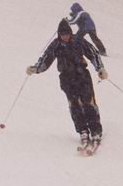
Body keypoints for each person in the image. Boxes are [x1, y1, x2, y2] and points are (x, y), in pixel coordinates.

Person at [26, 19, 107, 148]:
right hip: (67, 78)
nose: (65, 36)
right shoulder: (56, 45)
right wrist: (36, 69)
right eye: (62, 34)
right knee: (74, 105)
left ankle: (95, 130)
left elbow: (93, 53)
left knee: (88, 102)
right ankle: (83, 130)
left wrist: (100, 68)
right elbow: (46, 59)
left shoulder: (78, 40)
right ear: (59, 34)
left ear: (70, 32)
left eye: (67, 34)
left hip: (82, 76)